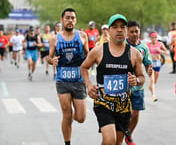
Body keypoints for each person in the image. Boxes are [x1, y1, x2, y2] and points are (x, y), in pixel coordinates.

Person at [80, 14, 145, 145]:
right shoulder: (98, 51)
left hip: (124, 107)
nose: (119, 30)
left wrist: (136, 81)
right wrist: (89, 86)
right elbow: (84, 67)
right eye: (115, 27)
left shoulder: (134, 54)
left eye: (122, 27)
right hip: (103, 104)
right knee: (110, 140)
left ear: (126, 30)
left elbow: (142, 77)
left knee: (116, 143)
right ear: (109, 31)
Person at [48, 8, 89, 145]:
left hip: (79, 80)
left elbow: (89, 55)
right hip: (62, 80)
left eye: (72, 18)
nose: (70, 20)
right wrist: (51, 60)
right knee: (66, 114)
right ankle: (67, 142)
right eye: (67, 18)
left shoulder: (82, 36)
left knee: (81, 117)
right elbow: (49, 57)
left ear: (75, 20)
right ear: (62, 20)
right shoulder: (54, 38)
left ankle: (69, 119)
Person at [125, 20, 153, 145]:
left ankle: (128, 134)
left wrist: (149, 70)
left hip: (137, 87)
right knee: (124, 115)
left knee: (135, 115)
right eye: (131, 32)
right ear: (127, 32)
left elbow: (148, 63)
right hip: (123, 88)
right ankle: (121, 134)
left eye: (136, 31)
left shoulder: (144, 47)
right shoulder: (122, 45)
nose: (134, 34)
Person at [147, 31, 168, 100]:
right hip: (151, 63)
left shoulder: (160, 44)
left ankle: (151, 87)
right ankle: (153, 95)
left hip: (158, 63)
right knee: (152, 80)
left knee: (155, 81)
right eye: (152, 37)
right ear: (150, 38)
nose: (154, 39)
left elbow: (166, 52)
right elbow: (145, 54)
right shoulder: (148, 45)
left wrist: (160, 51)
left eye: (155, 37)